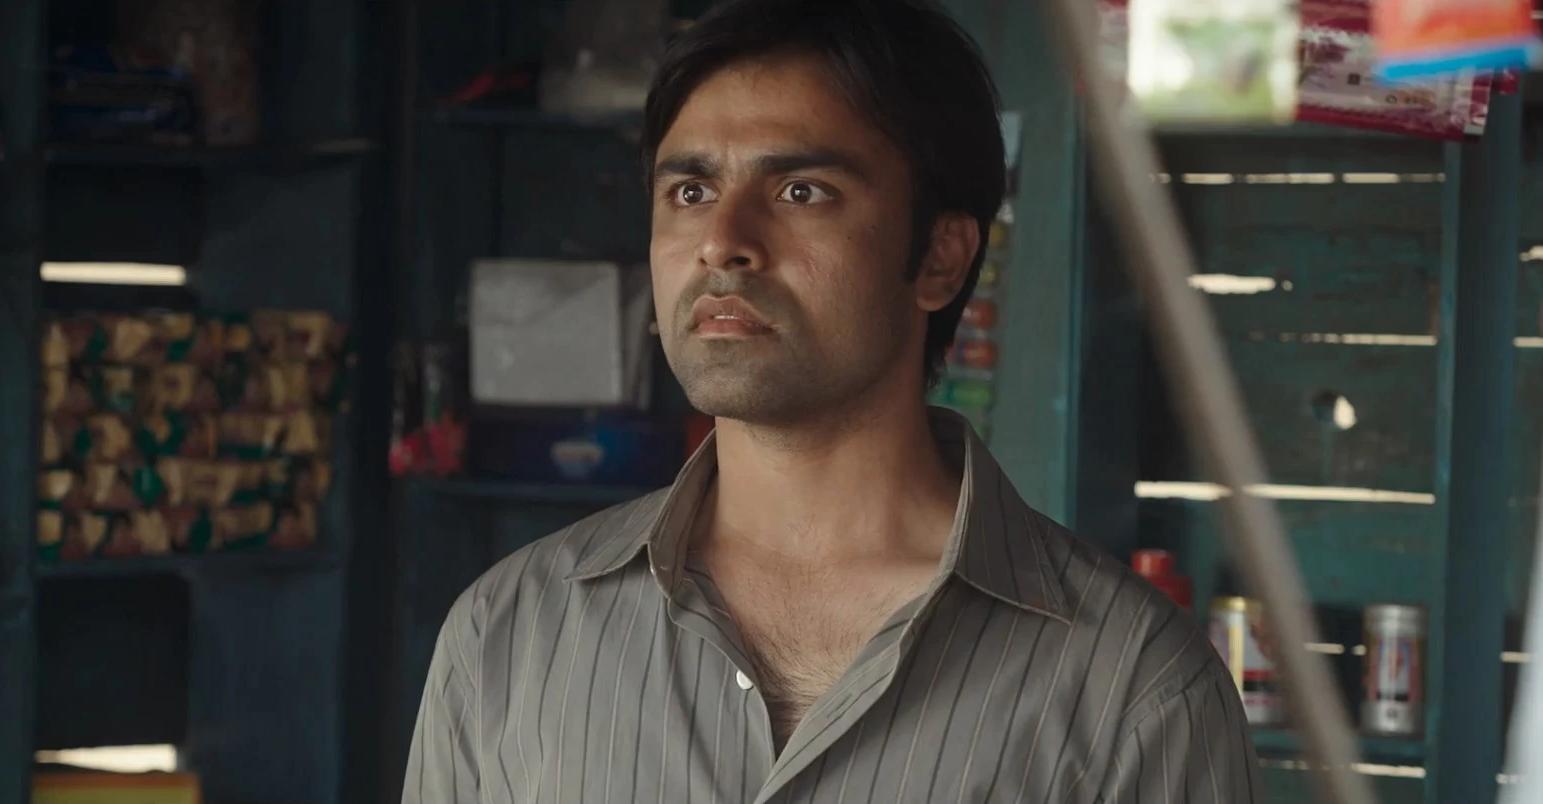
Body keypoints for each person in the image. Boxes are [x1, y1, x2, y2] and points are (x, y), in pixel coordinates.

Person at [403, 0, 1259, 801]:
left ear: (941, 258)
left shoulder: (1133, 688)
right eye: (690, 192)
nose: (722, 243)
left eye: (800, 191)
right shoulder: (508, 634)